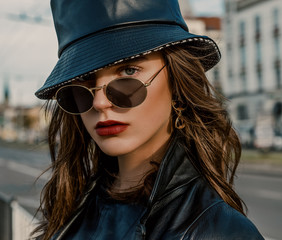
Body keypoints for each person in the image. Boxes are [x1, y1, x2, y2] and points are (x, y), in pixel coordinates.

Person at [33, 0, 264, 239]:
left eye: (129, 71)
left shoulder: (221, 232)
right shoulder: (71, 210)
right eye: (83, 81)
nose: (100, 102)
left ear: (177, 82)